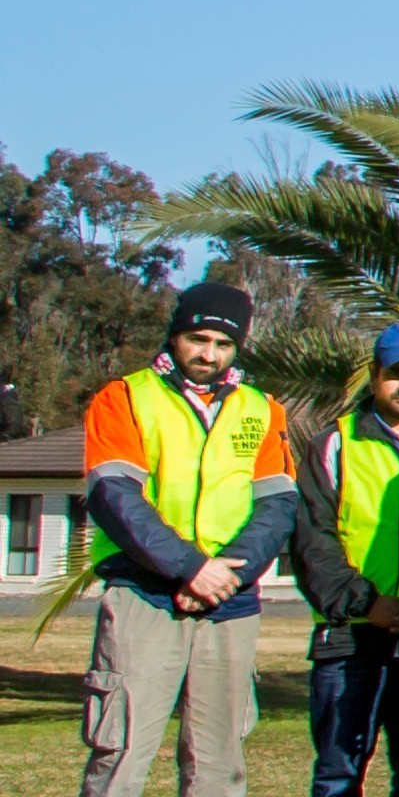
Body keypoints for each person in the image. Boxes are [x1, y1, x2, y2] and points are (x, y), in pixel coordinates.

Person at [83, 289, 291, 797]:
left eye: (224, 343)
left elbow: (278, 507)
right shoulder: (124, 397)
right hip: (144, 595)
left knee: (219, 764)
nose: (209, 354)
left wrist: (227, 574)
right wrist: (190, 567)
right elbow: (115, 498)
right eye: (197, 339)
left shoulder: (263, 410)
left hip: (230, 602)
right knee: (121, 753)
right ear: (174, 336)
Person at [298, 318, 399, 797]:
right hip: (351, 634)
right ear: (373, 374)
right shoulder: (335, 443)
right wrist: (367, 603)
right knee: (338, 774)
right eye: (395, 373)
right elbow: (312, 540)